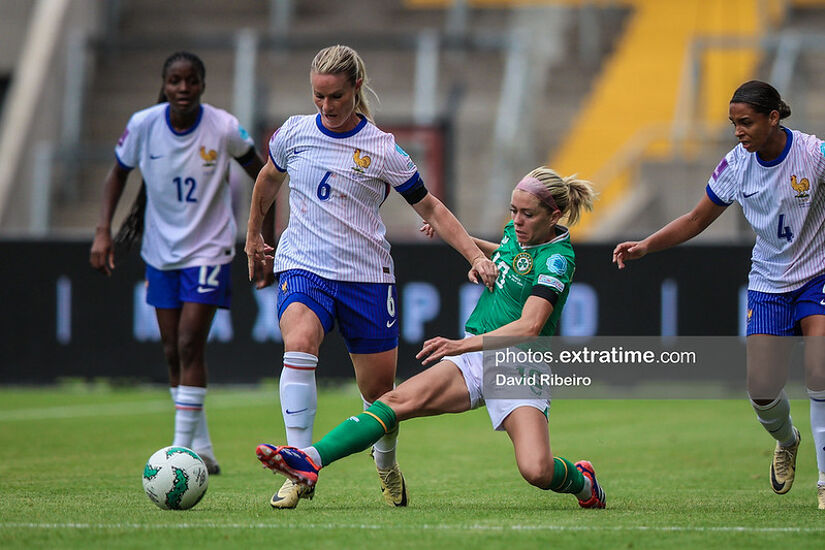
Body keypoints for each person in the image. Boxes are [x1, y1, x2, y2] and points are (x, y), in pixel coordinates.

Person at [253, 166, 607, 509]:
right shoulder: (519, 232)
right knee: (392, 403)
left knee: (537, 470)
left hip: (518, 368)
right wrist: (465, 243)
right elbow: (505, 255)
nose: (516, 220)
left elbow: (529, 327)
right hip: (474, 357)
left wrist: (460, 345)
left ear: (554, 215)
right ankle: (311, 460)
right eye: (513, 210)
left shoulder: (558, 259)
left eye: (527, 214)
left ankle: (583, 481)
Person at [245, 44, 498, 509]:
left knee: (380, 393)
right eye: (318, 97)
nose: (326, 107)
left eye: (336, 97)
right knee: (298, 342)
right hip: (304, 265)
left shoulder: (382, 149)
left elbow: (431, 207)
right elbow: (267, 180)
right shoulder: (294, 133)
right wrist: (252, 237)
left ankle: (386, 466)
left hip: (366, 277)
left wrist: (474, 256)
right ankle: (298, 467)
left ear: (356, 87)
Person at [613, 80, 825, 509]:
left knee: (821, 374)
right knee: (762, 391)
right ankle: (788, 440)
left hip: (818, 275)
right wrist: (645, 246)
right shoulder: (735, 166)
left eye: (745, 122)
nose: (738, 132)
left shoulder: (813, 154)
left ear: (773, 118)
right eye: (733, 123)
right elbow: (695, 220)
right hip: (768, 283)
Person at [90, 51, 273, 475]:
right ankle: (203, 448)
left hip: (208, 250)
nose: (184, 89)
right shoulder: (143, 125)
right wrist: (103, 231)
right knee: (174, 350)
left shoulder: (223, 126)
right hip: (160, 252)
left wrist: (262, 239)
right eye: (175, 81)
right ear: (165, 84)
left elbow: (264, 176)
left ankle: (177, 454)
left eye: (192, 81)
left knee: (190, 342)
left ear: (203, 85)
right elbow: (117, 174)